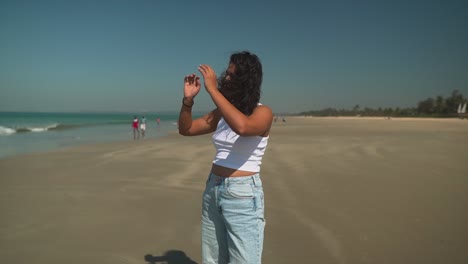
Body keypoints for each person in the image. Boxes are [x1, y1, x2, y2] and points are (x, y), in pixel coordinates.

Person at [178, 51, 273, 264]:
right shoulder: (221, 113)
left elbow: (243, 127)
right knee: (213, 259)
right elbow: (187, 129)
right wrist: (187, 101)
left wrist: (212, 89)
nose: (226, 78)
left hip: (242, 193)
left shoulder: (263, 112)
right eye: (226, 74)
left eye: (232, 75)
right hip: (213, 188)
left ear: (246, 81)